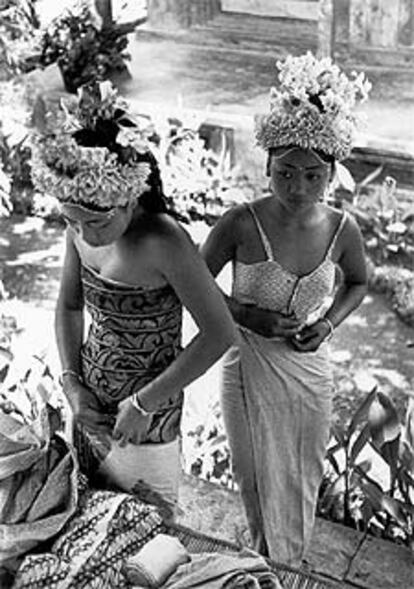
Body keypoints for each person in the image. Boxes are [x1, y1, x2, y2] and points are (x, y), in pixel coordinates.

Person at [31, 80, 237, 515]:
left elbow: (220, 334)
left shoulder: (164, 240)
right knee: (85, 525)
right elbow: (69, 306)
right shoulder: (82, 226)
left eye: (97, 222)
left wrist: (145, 402)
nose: (85, 234)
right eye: (72, 220)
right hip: (89, 409)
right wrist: (72, 387)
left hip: (147, 425)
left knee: (148, 538)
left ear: (128, 197)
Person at [201, 53, 371, 565]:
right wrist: (244, 315)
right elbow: (192, 287)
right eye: (285, 172)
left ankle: (288, 563)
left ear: (331, 174)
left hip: (307, 370)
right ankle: (260, 560)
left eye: (313, 176)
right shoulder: (239, 223)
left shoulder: (343, 229)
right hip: (246, 361)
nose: (298, 188)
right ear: (268, 167)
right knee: (250, 469)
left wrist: (327, 324)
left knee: (302, 470)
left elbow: (360, 282)